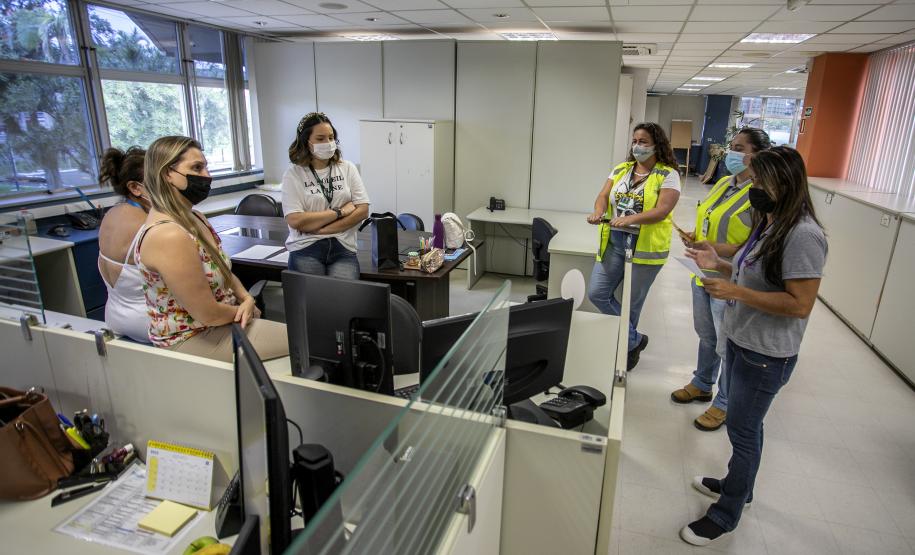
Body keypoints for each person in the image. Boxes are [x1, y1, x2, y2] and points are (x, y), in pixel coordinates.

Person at [680, 146, 827, 546]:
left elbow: (800, 304)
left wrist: (736, 293)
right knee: (746, 427)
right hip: (742, 340)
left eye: (761, 181)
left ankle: (726, 513)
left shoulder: (803, 235)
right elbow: (751, 273)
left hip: (766, 355)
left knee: (743, 431)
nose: (754, 188)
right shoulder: (771, 223)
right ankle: (737, 487)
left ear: (785, 182)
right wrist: (718, 264)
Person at [134, 135, 288, 362]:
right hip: (192, 336)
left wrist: (247, 298)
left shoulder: (195, 217)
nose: (207, 176)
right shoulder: (168, 235)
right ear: (167, 174)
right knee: (305, 341)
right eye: (197, 168)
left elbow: (224, 270)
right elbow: (207, 313)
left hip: (221, 322)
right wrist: (245, 310)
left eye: (206, 167)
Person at [671, 128, 772, 431]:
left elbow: (758, 245)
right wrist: (695, 236)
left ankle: (725, 402)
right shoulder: (725, 183)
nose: (731, 153)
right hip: (703, 271)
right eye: (732, 146)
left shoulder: (761, 194)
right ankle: (702, 383)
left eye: (740, 148)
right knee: (707, 335)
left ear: (757, 155)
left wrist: (714, 249)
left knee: (727, 344)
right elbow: (711, 219)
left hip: (731, 277)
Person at [587, 122, 681, 370]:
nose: (637, 146)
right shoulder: (621, 169)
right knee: (597, 293)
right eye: (635, 141)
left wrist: (631, 219)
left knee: (632, 304)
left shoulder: (668, 175)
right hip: (614, 241)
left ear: (656, 145)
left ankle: (624, 350)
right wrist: (598, 211)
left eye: (643, 142)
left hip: (645, 246)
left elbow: (662, 210)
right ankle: (634, 340)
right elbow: (603, 196)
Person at [282, 112, 370, 279]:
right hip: (305, 247)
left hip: (343, 247)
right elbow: (295, 220)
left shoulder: (347, 168)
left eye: (331, 137)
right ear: (306, 142)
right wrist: (339, 212)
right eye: (320, 138)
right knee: (312, 296)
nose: (328, 143)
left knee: (344, 295)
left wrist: (322, 230)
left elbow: (362, 210)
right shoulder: (293, 174)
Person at [97, 146, 152, 343]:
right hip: (148, 324)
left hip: (113, 318)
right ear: (135, 188)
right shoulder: (148, 226)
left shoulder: (111, 215)